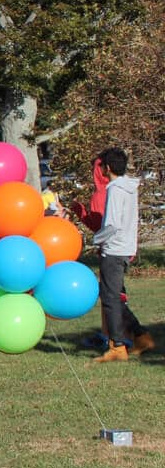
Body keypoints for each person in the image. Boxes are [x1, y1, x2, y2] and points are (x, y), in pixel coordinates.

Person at [87, 148, 153, 361]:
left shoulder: (115, 189)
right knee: (113, 297)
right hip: (125, 247)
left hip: (113, 250)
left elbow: (112, 224)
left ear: (107, 168)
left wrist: (95, 239)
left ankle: (117, 346)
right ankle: (141, 337)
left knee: (110, 299)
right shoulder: (130, 187)